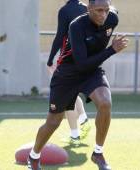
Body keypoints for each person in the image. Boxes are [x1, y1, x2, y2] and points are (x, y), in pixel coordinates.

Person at [27, 0, 128, 169]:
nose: (103, 14)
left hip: (92, 72)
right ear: (88, 9)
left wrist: (109, 45)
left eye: (106, 10)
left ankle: (98, 153)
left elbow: (90, 64)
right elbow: (82, 64)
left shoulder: (112, 19)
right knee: (53, 122)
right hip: (67, 75)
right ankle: (34, 156)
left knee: (105, 103)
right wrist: (111, 50)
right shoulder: (76, 26)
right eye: (98, 10)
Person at [47, 0, 90, 146]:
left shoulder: (65, 10)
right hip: (86, 56)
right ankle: (83, 117)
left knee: (65, 95)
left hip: (69, 57)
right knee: (72, 91)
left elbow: (60, 36)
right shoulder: (86, 8)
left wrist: (50, 59)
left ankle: (75, 135)